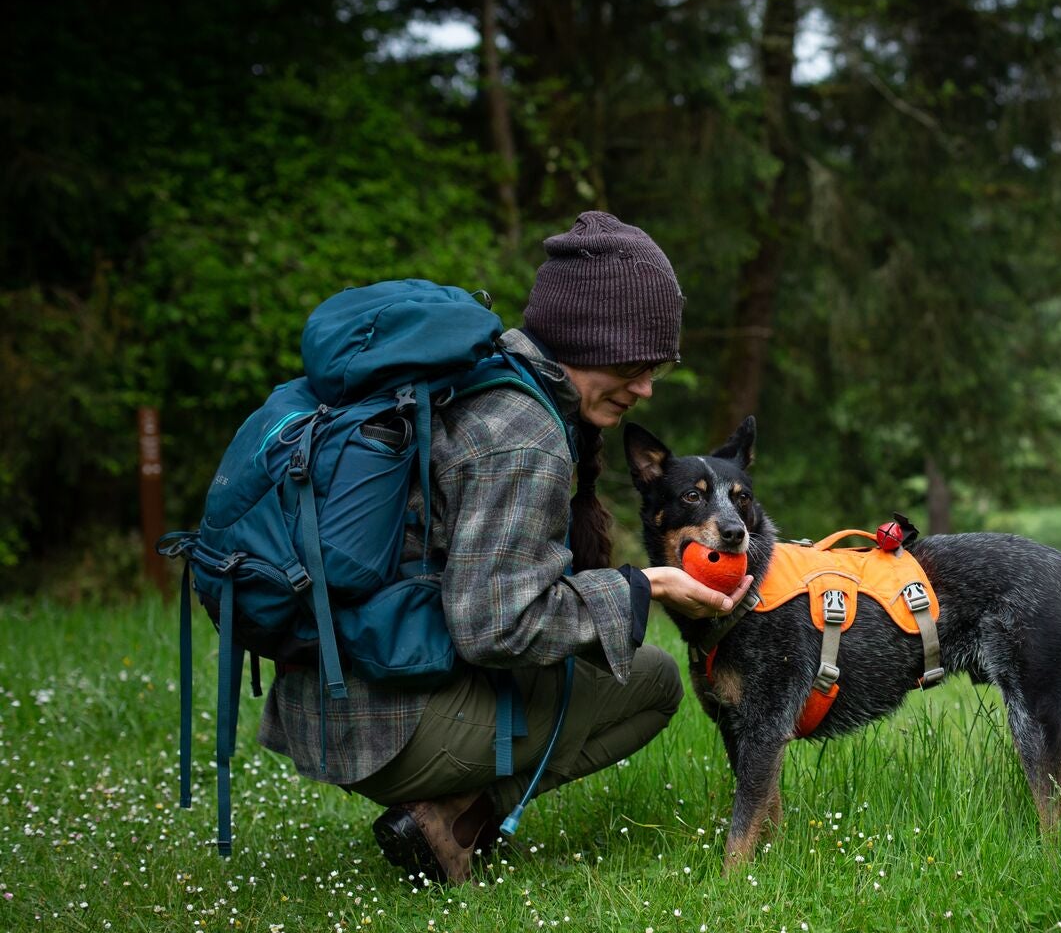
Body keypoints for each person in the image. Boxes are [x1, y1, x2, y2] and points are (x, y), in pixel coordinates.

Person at [258, 211, 750, 885]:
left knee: (608, 665)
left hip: (327, 698)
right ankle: (455, 814)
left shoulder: (489, 378)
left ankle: (446, 823)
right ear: (591, 339)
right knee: (652, 682)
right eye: (637, 364)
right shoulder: (524, 435)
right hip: (375, 726)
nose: (646, 388)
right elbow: (498, 625)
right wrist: (651, 585)